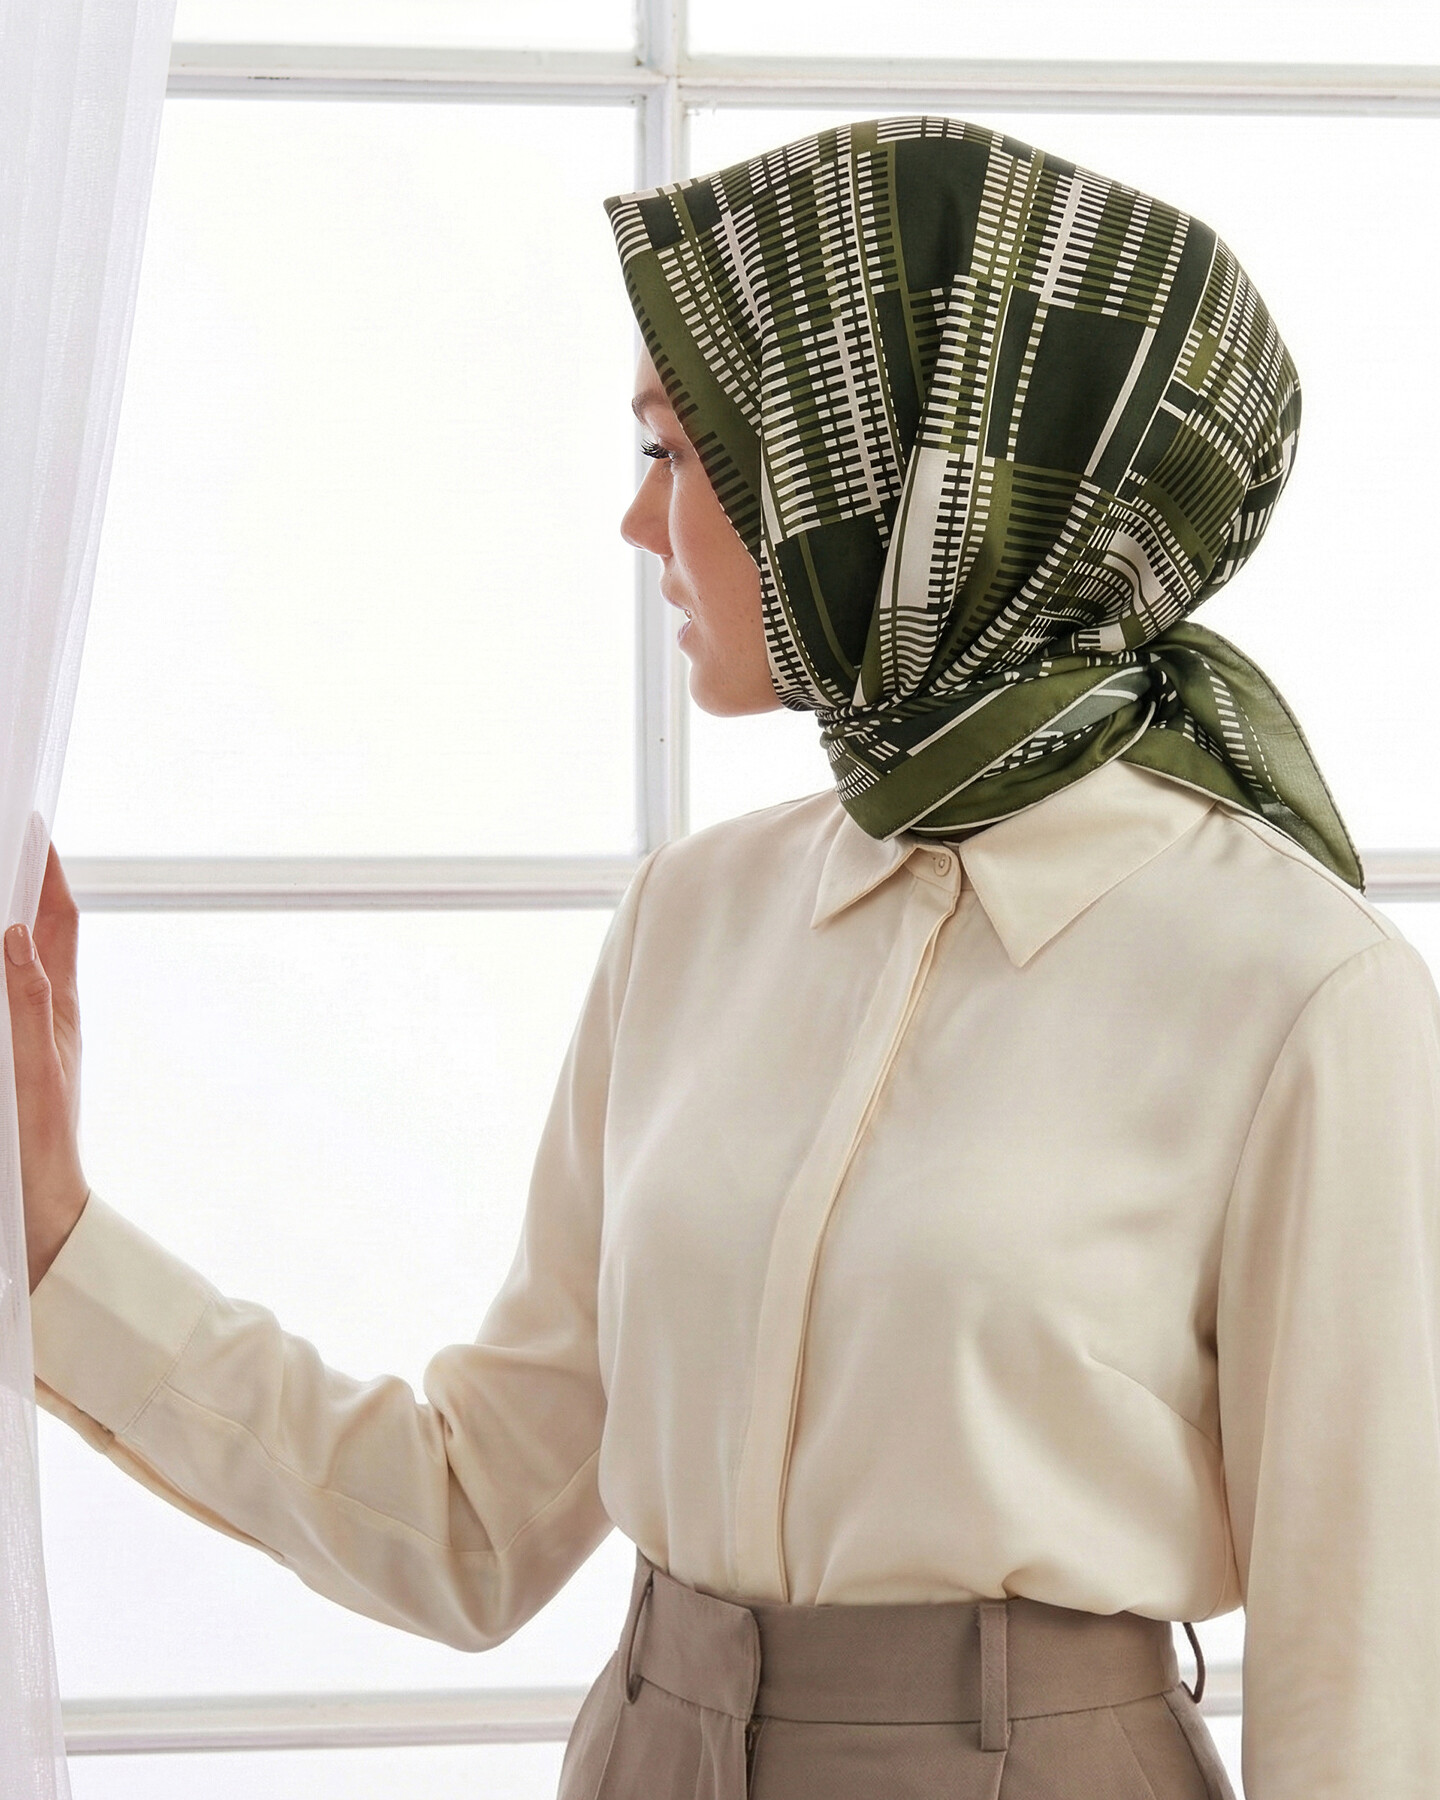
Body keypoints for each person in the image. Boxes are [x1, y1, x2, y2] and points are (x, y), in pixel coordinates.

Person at [10, 115, 1440, 1800]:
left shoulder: (1300, 988)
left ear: (880, 477)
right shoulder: (690, 919)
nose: (637, 523)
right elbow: (469, 1524)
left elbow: (1372, 1694)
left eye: (675, 454)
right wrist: (55, 1240)